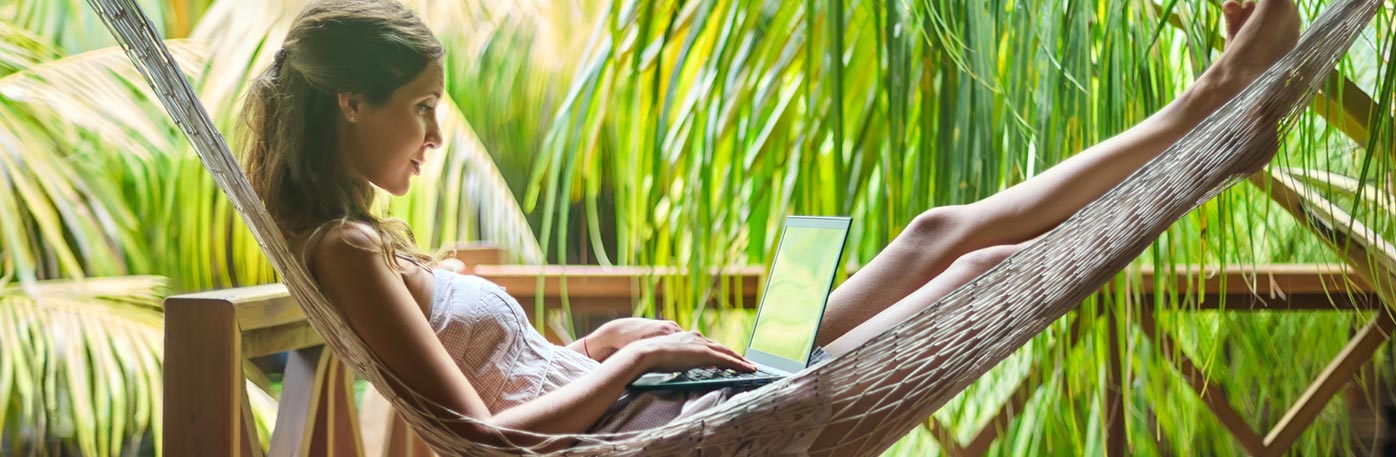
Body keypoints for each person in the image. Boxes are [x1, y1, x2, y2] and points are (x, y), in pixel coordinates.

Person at [242, 0, 1300, 451]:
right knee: (986, 262)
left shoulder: (371, 242)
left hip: (659, 410)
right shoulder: (345, 250)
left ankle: (1208, 108)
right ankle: (1212, 133)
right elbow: (487, 435)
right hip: (646, 438)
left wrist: (610, 344)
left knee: (938, 231)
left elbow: (515, 375)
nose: (433, 134)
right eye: (420, 107)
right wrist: (639, 357)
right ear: (351, 104)